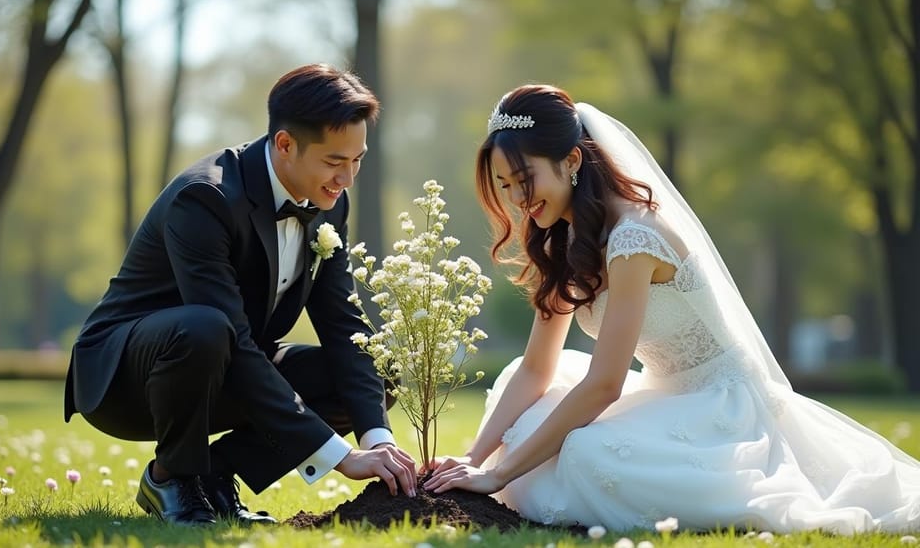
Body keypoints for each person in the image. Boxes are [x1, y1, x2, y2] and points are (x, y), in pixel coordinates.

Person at [424, 84, 920, 534]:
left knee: (584, 453)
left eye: (523, 179)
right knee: (522, 409)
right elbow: (536, 367)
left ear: (571, 161)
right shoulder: (564, 236)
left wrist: (499, 474)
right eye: (504, 184)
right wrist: (471, 459)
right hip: (660, 393)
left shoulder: (634, 237)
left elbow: (604, 385)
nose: (516, 199)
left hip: (719, 405)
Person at [63, 64, 417, 526]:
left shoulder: (331, 200)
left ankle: (213, 476)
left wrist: (377, 439)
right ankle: (171, 477)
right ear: (285, 144)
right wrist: (339, 456)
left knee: (375, 366)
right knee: (206, 328)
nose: (347, 178)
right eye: (334, 161)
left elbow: (344, 325)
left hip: (227, 362)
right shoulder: (205, 197)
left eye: (357, 160)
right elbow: (228, 331)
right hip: (129, 378)